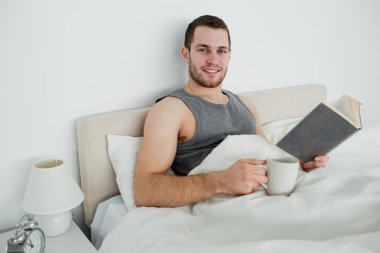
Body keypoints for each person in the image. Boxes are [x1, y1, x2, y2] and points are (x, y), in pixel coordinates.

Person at [134, 15, 328, 207]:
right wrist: (221, 181)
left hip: (267, 197)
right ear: (186, 54)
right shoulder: (171, 109)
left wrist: (298, 166)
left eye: (221, 51)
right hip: (225, 205)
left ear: (229, 55)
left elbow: (269, 158)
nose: (213, 59)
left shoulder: (246, 104)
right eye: (203, 50)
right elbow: (144, 190)